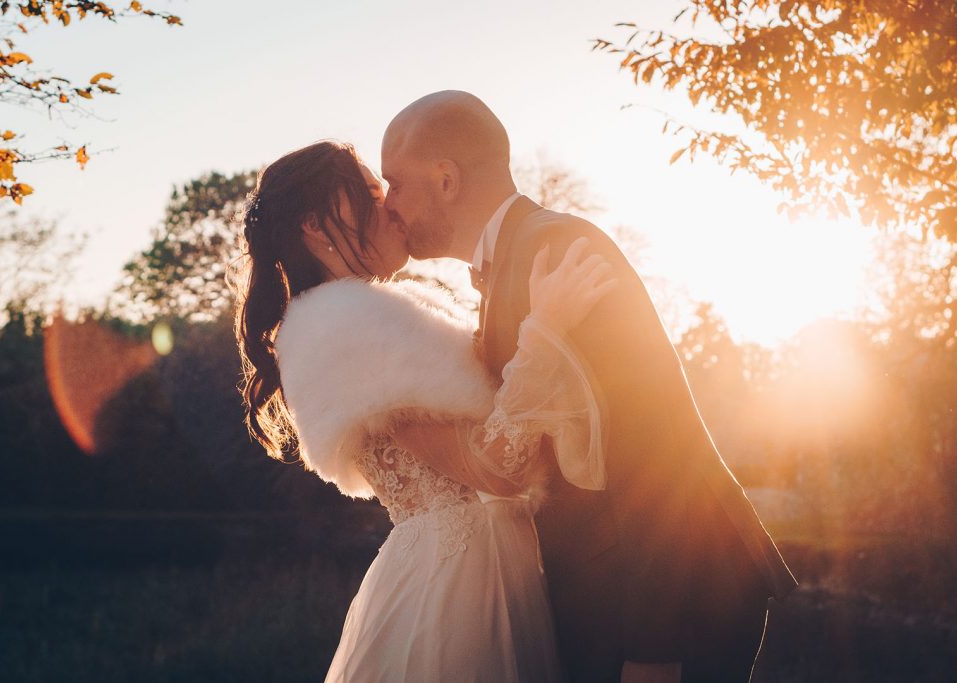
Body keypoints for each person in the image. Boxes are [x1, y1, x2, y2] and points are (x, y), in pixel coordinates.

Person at [381, 91, 798, 683]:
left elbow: (651, 443)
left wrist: (654, 646)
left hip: (674, 596)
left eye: (394, 182)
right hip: (620, 588)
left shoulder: (552, 250)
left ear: (445, 179)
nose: (388, 203)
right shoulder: (513, 261)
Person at [233, 139, 615, 682]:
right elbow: (495, 469)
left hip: (478, 574)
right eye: (368, 192)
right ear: (317, 225)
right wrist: (546, 331)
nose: (389, 203)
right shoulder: (345, 326)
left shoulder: (369, 316)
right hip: (455, 593)